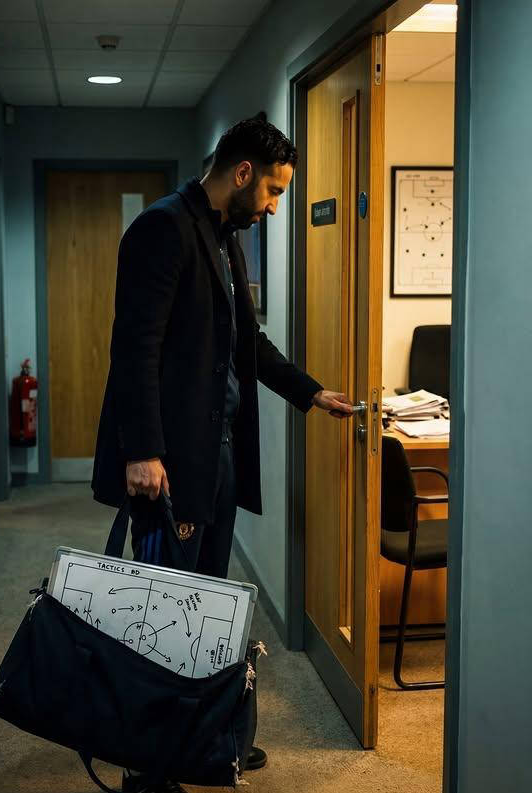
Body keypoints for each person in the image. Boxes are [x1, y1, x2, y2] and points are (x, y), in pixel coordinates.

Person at [92, 115, 353, 793]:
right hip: (171, 465)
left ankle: (204, 740)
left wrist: (312, 392)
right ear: (242, 173)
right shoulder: (162, 228)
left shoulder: (224, 236)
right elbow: (134, 350)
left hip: (218, 458)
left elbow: (247, 343)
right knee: (164, 615)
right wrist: (143, 451)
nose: (274, 207)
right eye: (273, 190)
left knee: (205, 607)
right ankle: (149, 768)